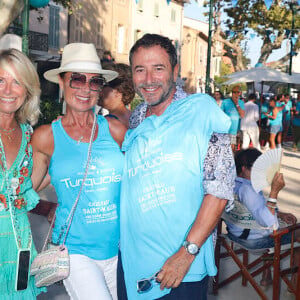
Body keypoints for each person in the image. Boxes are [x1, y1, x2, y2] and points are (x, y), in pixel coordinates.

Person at [119, 34, 236, 300]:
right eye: (140, 70)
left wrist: (186, 253)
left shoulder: (202, 111)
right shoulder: (137, 116)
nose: (149, 79)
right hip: (134, 261)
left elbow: (219, 190)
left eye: (158, 68)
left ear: (174, 70)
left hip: (180, 266)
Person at [31, 43, 127, 300]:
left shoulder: (116, 131)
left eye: (94, 81)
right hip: (75, 251)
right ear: (62, 83)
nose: (86, 88)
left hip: (120, 250)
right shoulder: (46, 137)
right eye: (77, 79)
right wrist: (46, 208)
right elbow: (22, 191)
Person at [0, 49, 46, 298]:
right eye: (1, 80)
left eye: (16, 82)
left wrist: (49, 207)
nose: (8, 90)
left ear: (27, 89)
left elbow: (27, 190)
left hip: (21, 247)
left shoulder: (31, 136)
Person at [224, 148, 299, 287]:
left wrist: (280, 214)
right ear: (244, 168)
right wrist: (274, 192)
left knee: (276, 228)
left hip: (235, 233)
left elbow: (254, 210)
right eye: (256, 168)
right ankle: (294, 285)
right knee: (297, 233)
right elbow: (269, 223)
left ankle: (266, 274)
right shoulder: (248, 190)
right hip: (254, 240)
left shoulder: (230, 184)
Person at [99, 63, 135, 128]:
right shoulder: (135, 117)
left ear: (118, 90)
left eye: (102, 85)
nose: (98, 90)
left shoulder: (107, 123)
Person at [221, 85, 245, 151]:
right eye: (234, 92)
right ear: (232, 93)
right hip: (225, 128)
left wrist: (237, 104)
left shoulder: (241, 102)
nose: (236, 94)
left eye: (237, 92)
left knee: (231, 148)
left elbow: (242, 115)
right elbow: (220, 114)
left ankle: (230, 160)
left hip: (234, 130)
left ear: (240, 93)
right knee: (224, 147)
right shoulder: (225, 102)